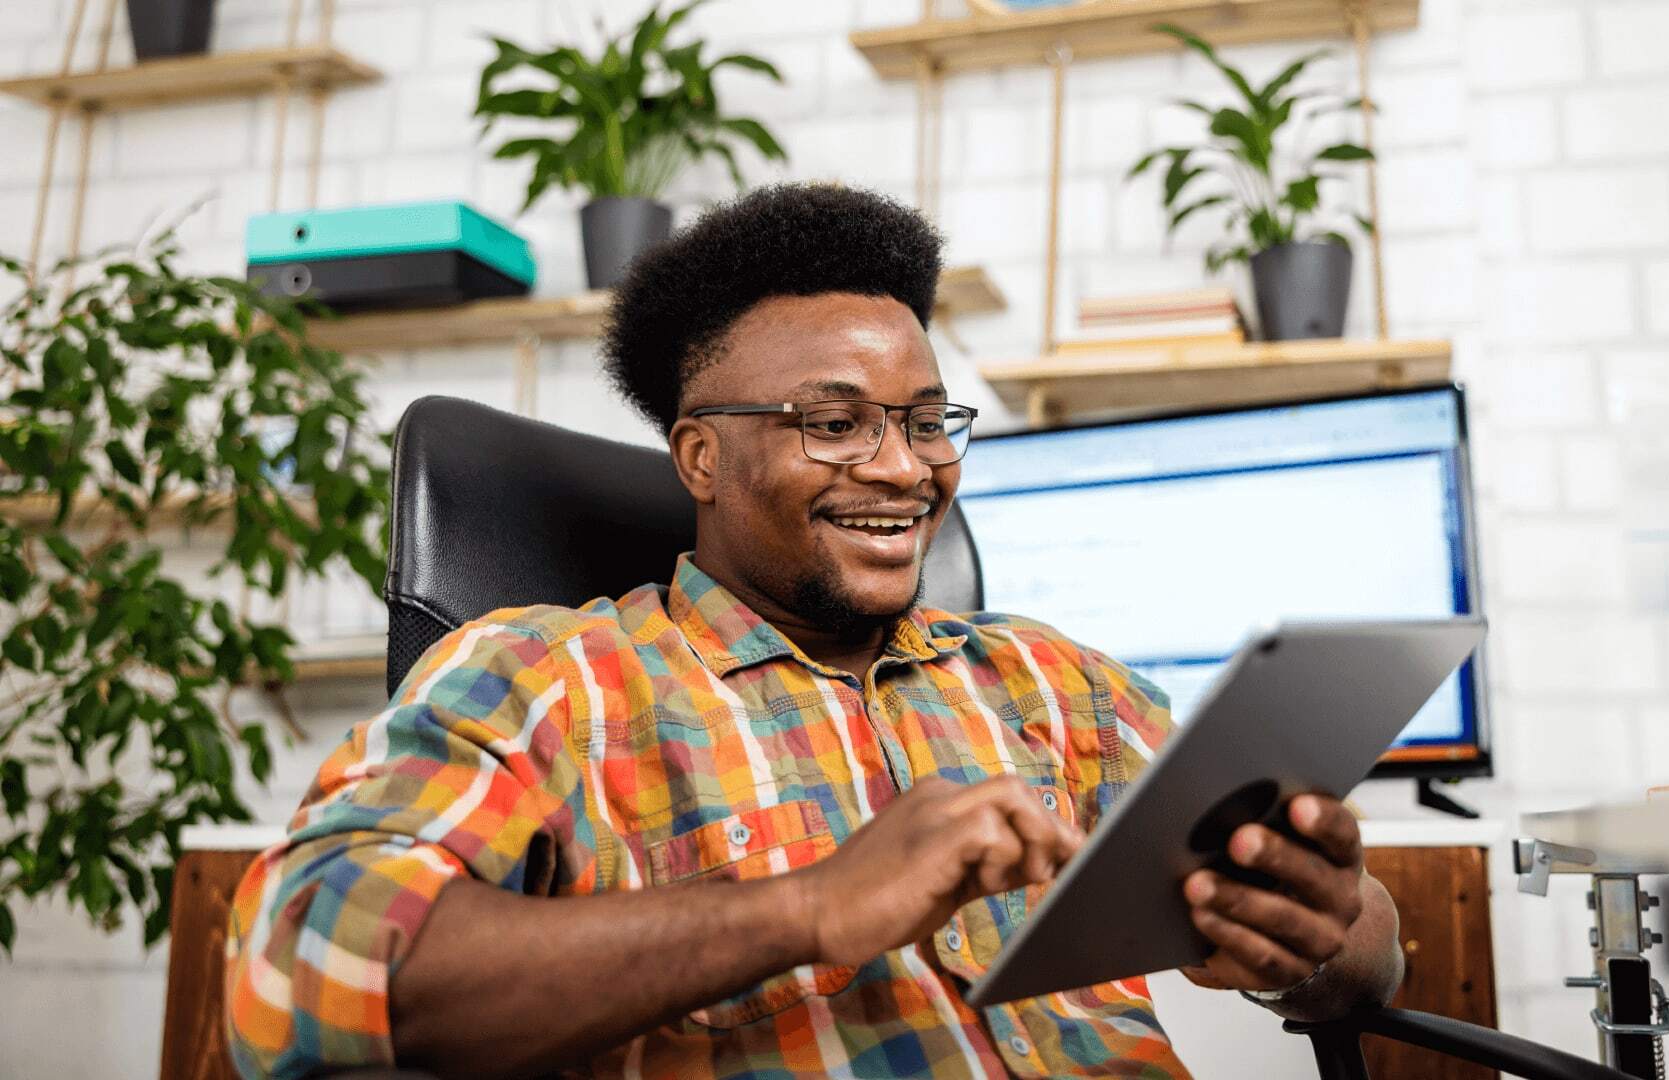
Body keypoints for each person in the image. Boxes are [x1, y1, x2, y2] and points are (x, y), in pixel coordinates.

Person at [224, 183, 1404, 1079]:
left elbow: (1371, 957)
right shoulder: (551, 679)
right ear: (701, 455)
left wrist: (1315, 925)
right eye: (834, 424)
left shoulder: (1053, 683)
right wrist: (806, 910)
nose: (904, 468)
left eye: (927, 419)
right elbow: (290, 969)